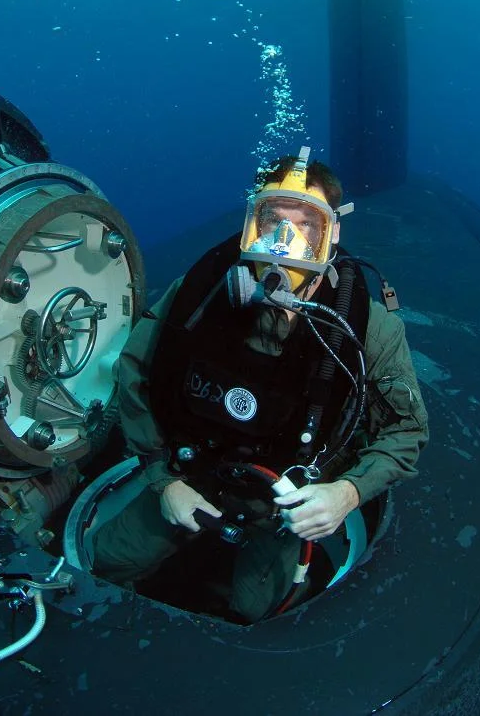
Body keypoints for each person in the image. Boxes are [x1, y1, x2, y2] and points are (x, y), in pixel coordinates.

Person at [92, 147, 429, 622]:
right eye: (272, 222)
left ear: (331, 234)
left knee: (261, 612)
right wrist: (162, 480)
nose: (283, 242)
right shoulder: (200, 293)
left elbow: (406, 431)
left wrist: (346, 494)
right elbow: (136, 371)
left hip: (281, 507)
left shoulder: (368, 328)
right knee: (104, 561)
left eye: (304, 226)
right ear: (252, 224)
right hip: (192, 476)